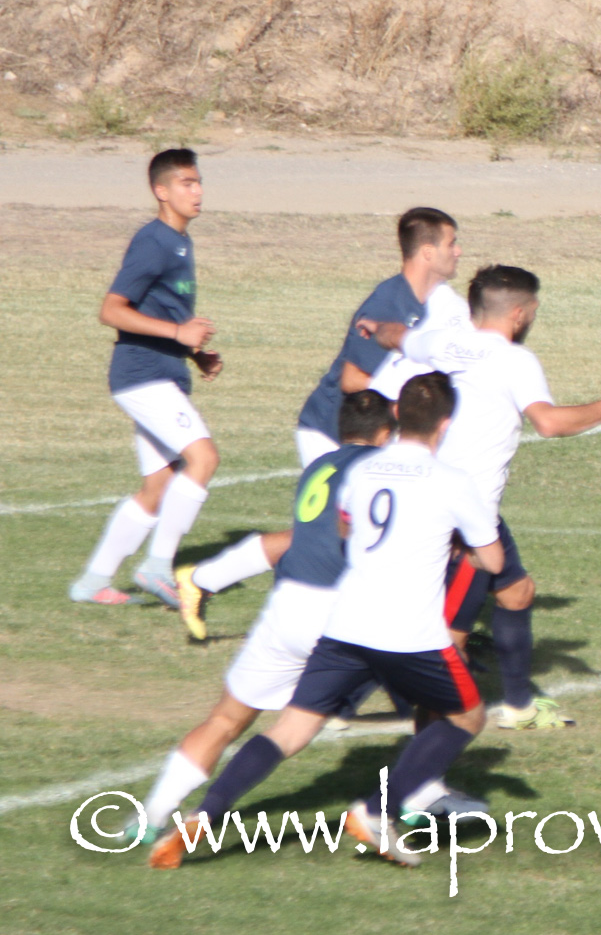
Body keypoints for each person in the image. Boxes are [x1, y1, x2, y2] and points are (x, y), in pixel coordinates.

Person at [151, 373, 504, 870]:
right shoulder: (450, 480)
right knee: (466, 715)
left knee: (290, 730)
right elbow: (491, 560)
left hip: (339, 625)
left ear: (398, 415)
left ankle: (202, 816)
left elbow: (344, 526)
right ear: (444, 425)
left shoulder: (358, 470)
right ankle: (380, 810)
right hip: (404, 631)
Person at [367, 264, 601, 730]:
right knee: (448, 639)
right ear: (519, 314)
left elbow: (396, 336)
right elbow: (548, 423)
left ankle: (518, 707)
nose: (532, 318)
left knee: (517, 593)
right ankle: (400, 737)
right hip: (462, 514)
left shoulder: (444, 342)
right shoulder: (515, 361)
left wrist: (375, 327)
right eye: (533, 310)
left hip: (458, 505)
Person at [173, 208, 469, 640]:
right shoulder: (390, 302)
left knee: (347, 533)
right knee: (330, 536)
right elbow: (353, 380)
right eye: (451, 243)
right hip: (333, 432)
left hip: (369, 435)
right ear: (427, 251)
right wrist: (412, 409)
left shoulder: (433, 304)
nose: (458, 252)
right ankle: (203, 580)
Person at [138, 390, 394, 860]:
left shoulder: (319, 467)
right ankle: (419, 794)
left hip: (287, 605)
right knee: (438, 703)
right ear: (385, 433)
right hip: (338, 613)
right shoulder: (382, 472)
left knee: (224, 719)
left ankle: (150, 816)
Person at [70, 149, 224, 609]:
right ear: (161, 191)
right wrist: (178, 334)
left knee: (157, 487)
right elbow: (111, 310)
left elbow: (160, 313)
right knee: (204, 458)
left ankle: (92, 582)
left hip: (161, 372)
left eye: (198, 182)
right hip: (142, 376)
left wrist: (194, 353)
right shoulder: (153, 242)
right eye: (186, 183)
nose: (197, 191)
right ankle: (158, 566)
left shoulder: (179, 241)